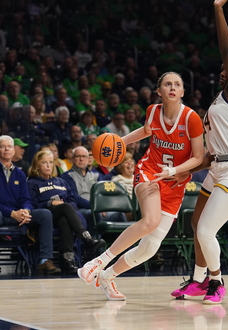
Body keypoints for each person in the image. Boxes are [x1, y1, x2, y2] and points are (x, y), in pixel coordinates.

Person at [76, 71, 204, 301]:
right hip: (149, 172)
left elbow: (198, 157)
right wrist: (119, 142)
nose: (172, 87)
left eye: (177, 84)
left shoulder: (191, 118)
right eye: (167, 84)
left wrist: (173, 171)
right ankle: (98, 261)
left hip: (175, 183)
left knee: (150, 247)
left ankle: (107, 276)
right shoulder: (153, 111)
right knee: (150, 220)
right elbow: (146, 132)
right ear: (159, 91)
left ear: (183, 92)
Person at [169, 0, 228, 304]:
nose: (225, 70)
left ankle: (217, 282)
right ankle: (197, 282)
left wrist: (218, 9)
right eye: (224, 69)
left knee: (207, 229)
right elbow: (210, 154)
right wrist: (181, 171)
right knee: (196, 225)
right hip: (218, 166)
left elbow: (226, 51)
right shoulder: (219, 103)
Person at [0, 135, 61, 276]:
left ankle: (45, 260)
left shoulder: (20, 174)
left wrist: (26, 210)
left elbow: (26, 198)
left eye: (9, 146)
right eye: (2, 146)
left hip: (17, 214)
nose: (6, 149)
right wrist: (12, 213)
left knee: (45, 214)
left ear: (13, 151)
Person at [27, 150, 105, 273]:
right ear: (37, 165)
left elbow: (72, 201)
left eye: (51, 162)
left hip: (64, 214)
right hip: (46, 215)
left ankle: (68, 260)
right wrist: (50, 203)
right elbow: (32, 204)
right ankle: (86, 237)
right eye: (44, 163)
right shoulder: (32, 183)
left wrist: (66, 206)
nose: (48, 165)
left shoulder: (61, 181)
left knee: (65, 220)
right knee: (65, 207)